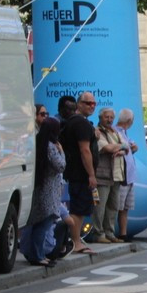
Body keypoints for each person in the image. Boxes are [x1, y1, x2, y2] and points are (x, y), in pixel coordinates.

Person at [59, 92, 100, 255]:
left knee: (78, 208)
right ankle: (75, 242)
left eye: (94, 104)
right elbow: (85, 150)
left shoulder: (73, 122)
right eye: (88, 103)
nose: (92, 106)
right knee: (79, 209)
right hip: (80, 174)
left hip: (74, 172)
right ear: (79, 104)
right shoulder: (80, 124)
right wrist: (91, 174)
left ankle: (74, 240)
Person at [24, 117, 66, 267]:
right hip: (49, 190)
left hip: (39, 188)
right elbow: (60, 166)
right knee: (44, 224)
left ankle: (35, 253)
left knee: (38, 223)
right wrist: (62, 152)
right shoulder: (51, 147)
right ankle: (38, 255)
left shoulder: (38, 142)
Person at [93, 107, 125, 243]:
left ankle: (109, 233)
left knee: (113, 206)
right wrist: (122, 146)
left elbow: (128, 148)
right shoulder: (98, 132)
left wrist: (122, 148)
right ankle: (98, 234)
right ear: (100, 118)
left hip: (117, 175)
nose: (109, 120)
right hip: (103, 175)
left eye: (112, 117)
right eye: (107, 117)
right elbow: (107, 148)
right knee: (100, 206)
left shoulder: (114, 132)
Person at [114, 108, 139, 241]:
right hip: (121, 176)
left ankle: (123, 233)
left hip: (129, 176)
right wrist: (127, 149)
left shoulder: (125, 133)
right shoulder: (115, 132)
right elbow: (119, 150)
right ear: (129, 120)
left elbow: (129, 148)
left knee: (125, 207)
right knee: (117, 206)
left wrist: (131, 148)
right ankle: (112, 233)